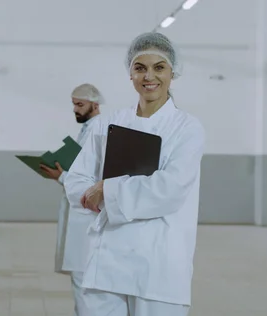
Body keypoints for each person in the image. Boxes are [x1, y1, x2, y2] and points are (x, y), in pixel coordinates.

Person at [63, 32, 205, 316]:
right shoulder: (108, 123)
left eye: (159, 67)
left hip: (160, 263)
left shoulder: (187, 128)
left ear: (172, 73)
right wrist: (92, 193)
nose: (149, 76)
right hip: (107, 261)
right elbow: (77, 179)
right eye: (140, 68)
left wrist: (106, 191)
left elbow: (169, 190)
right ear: (130, 73)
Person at [39, 83, 103, 315]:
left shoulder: (98, 131)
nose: (75, 109)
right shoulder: (88, 129)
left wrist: (62, 176)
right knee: (81, 279)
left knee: (83, 279)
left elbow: (92, 177)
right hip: (79, 213)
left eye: (80, 104)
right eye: (73, 104)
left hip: (86, 217)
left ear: (95, 105)